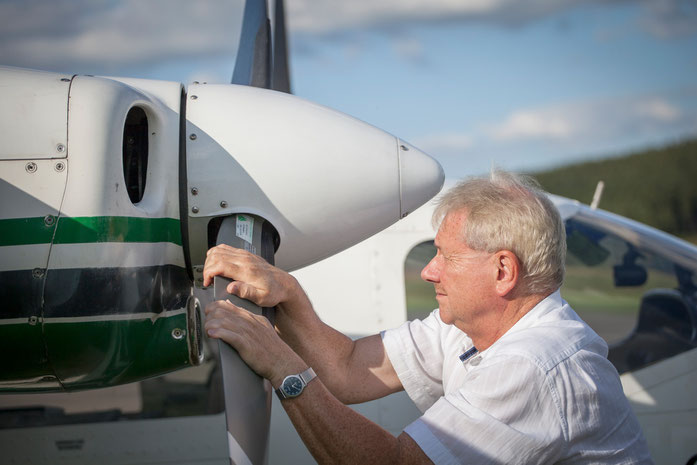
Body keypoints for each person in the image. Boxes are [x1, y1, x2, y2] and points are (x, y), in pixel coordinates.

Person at [203, 170, 652, 464]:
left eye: (445, 256)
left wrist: (283, 368)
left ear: (502, 271)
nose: (428, 271)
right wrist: (290, 296)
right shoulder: (469, 326)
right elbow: (349, 368)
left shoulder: (533, 363)